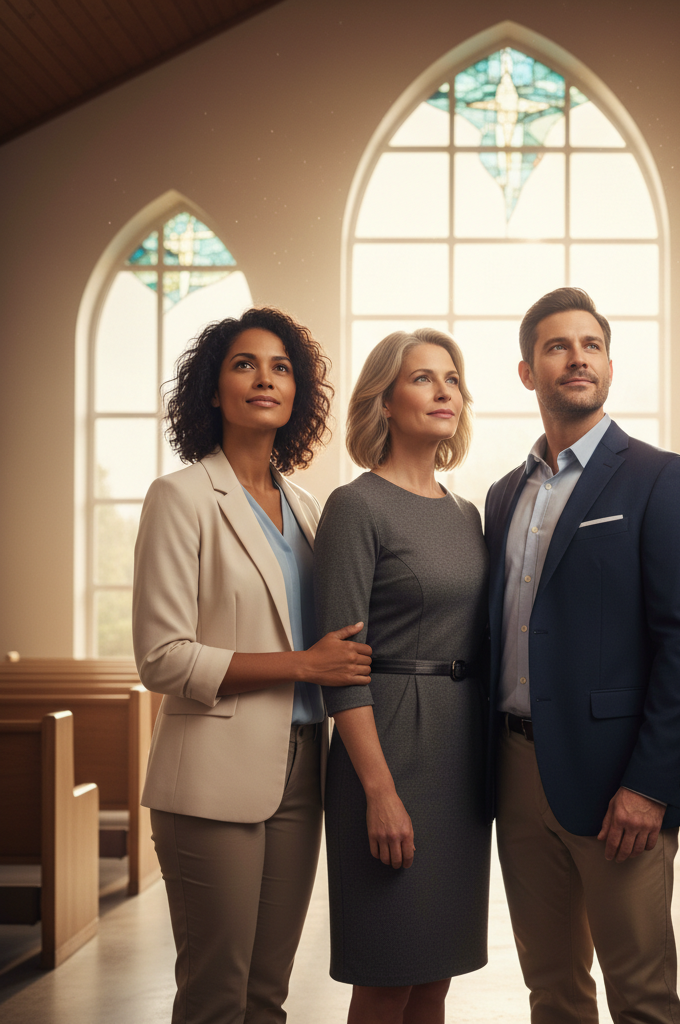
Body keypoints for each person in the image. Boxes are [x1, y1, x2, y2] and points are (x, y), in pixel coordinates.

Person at [484, 286, 680, 1024]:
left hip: (620, 779)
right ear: (528, 372)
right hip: (517, 776)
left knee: (641, 992)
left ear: (610, 366)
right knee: (552, 986)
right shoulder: (502, 495)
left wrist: (650, 784)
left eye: (590, 345)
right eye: (557, 346)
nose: (577, 358)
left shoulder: (660, 477)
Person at [132, 307, 372, 1024]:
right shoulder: (179, 498)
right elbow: (163, 657)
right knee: (215, 995)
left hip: (301, 769)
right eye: (244, 364)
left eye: (281, 367)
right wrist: (302, 665)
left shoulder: (305, 507)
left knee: (267, 995)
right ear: (213, 389)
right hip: (209, 777)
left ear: (298, 394)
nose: (264, 378)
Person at [315, 328, 490, 1024]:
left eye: (451, 378)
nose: (444, 390)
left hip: (458, 760)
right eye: (423, 378)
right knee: (388, 975)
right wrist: (378, 793)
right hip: (387, 751)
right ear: (383, 401)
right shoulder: (356, 507)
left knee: (436, 976)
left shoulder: (466, 513)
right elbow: (341, 668)